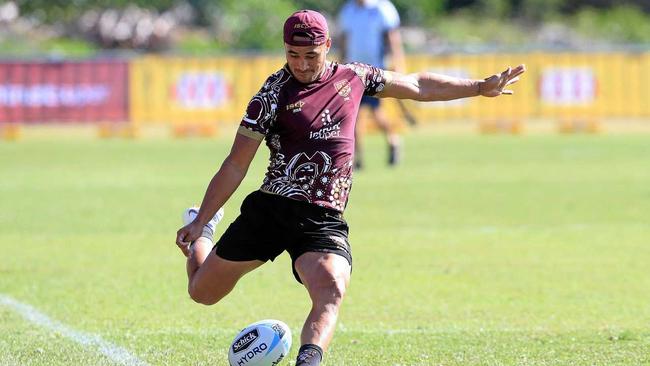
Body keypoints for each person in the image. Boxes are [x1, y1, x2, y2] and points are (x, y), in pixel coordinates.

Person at [175, 9, 525, 366]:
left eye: (311, 56)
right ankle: (204, 237)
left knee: (331, 287)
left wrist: (480, 88)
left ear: (327, 46)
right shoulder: (270, 96)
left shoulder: (355, 77)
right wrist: (201, 220)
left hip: (323, 216)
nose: (302, 65)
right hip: (272, 210)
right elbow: (236, 163)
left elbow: (417, 85)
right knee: (202, 292)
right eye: (293, 55)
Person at [338, 0, 406, 169]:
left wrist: (397, 62)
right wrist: (341, 66)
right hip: (352, 70)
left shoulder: (382, 8)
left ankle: (392, 140)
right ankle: (357, 157)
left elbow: (392, 38)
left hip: (375, 70)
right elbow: (344, 40)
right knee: (353, 115)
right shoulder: (348, 11)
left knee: (373, 113)